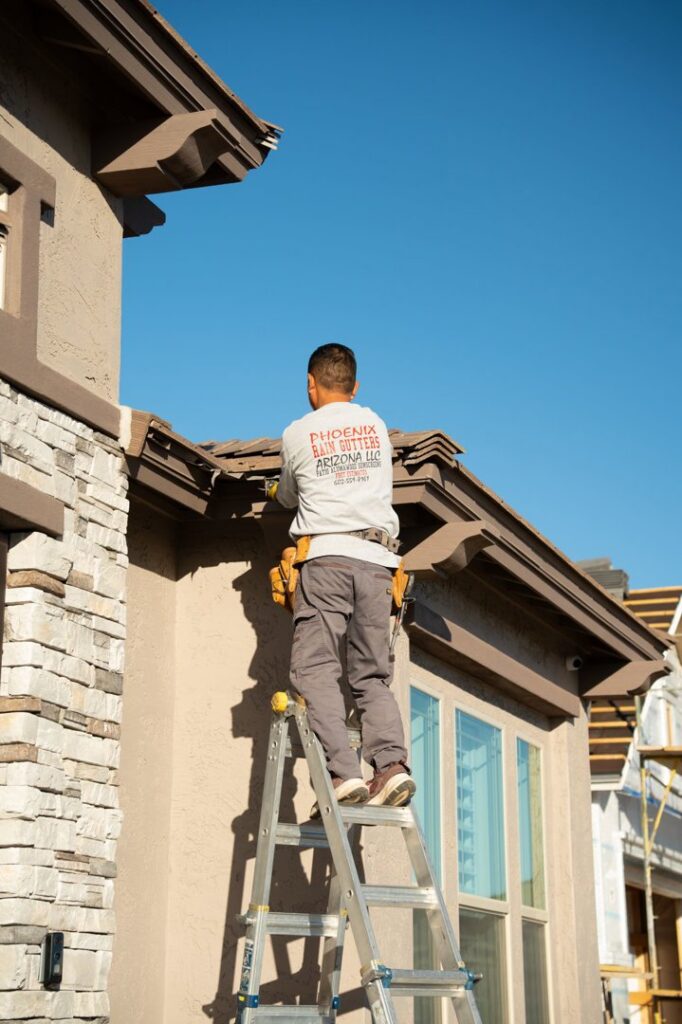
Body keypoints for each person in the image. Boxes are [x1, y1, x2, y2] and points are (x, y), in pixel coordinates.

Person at [270, 343, 416, 810]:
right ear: (355, 387)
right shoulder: (374, 425)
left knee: (315, 671)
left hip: (327, 556)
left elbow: (288, 496)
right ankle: (390, 767)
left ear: (310, 385)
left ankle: (342, 774)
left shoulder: (297, 433)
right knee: (371, 674)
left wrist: (278, 490)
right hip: (378, 562)